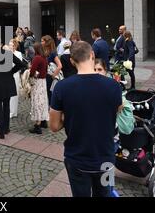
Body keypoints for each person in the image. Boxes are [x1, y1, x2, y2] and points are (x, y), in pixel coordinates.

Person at [49, 41, 123, 197]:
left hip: (77, 160)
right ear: (93, 55)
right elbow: (116, 111)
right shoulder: (114, 86)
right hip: (106, 159)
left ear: (71, 61)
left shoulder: (62, 87)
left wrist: (69, 117)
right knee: (105, 194)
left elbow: (54, 126)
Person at [29, 43, 49, 134]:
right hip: (43, 81)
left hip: (37, 82)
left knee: (37, 102)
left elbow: (32, 71)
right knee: (43, 101)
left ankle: (37, 125)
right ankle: (43, 121)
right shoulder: (44, 57)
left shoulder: (37, 58)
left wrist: (29, 72)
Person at [42, 35, 63, 108]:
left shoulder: (52, 53)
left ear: (47, 42)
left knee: (50, 94)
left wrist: (54, 75)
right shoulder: (46, 52)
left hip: (50, 77)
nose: (41, 42)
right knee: (47, 94)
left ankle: (51, 110)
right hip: (46, 76)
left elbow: (60, 65)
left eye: (42, 41)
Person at [8, 39, 23, 119]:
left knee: (14, 94)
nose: (11, 46)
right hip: (7, 75)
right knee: (8, 93)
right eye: (10, 45)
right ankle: (9, 110)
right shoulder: (6, 53)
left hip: (15, 74)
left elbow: (19, 65)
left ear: (15, 46)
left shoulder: (18, 53)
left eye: (12, 45)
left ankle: (13, 112)